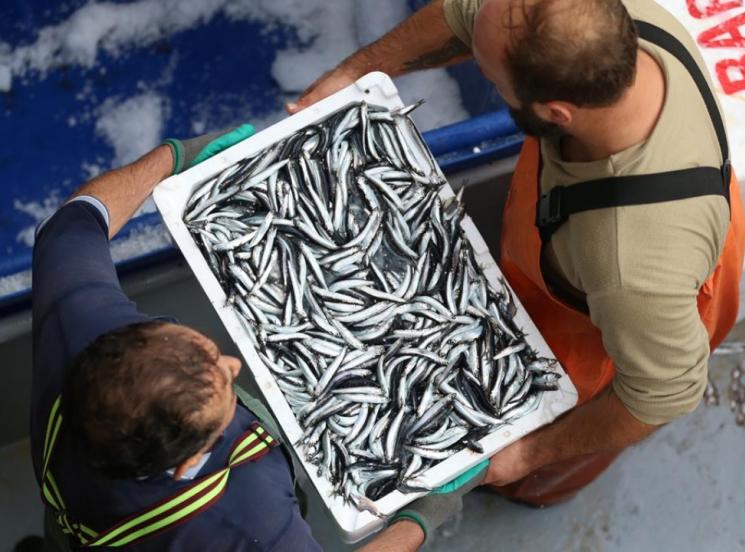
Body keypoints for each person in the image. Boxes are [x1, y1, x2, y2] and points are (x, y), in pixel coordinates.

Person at [289, 0, 745, 506]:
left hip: (624, 323)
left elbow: (663, 395)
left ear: (555, 114)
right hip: (632, 232)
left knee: (538, 460)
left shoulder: (627, 264)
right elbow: (468, 14)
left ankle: (535, 490)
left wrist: (527, 454)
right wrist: (355, 73)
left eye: (491, 78)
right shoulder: (608, 25)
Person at [30, 126, 486, 550]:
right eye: (226, 392)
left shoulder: (78, 324)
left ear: (132, 334)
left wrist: (172, 158)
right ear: (190, 464)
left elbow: (69, 226)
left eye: (208, 352)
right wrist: (421, 517)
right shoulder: (250, 520)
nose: (234, 365)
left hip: (75, 512)